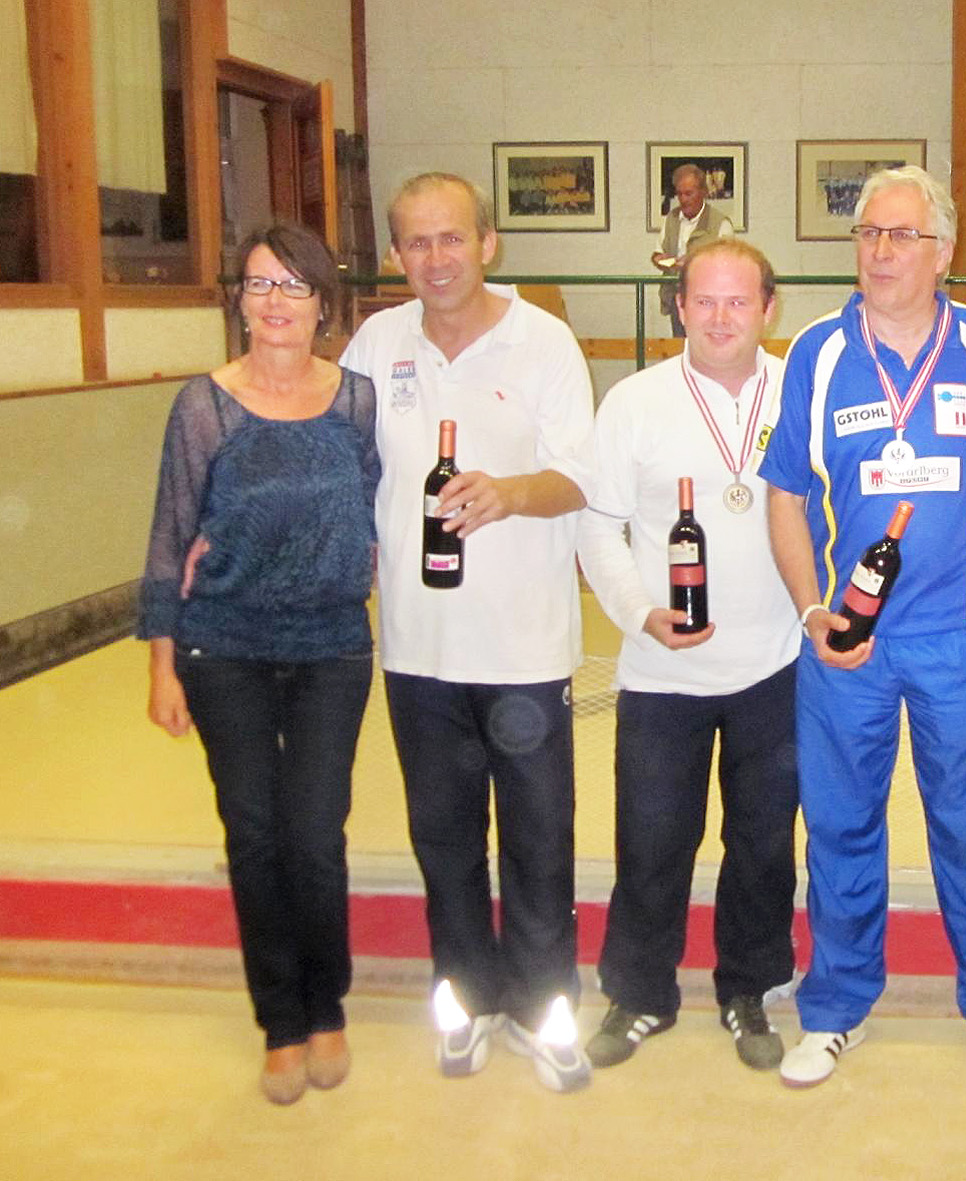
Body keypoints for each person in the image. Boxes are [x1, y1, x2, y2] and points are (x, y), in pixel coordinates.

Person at [760, 165, 966, 1101]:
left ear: (943, 250)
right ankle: (835, 1004)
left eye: (901, 235)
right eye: (868, 234)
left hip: (957, 639)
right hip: (848, 645)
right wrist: (812, 611)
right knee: (839, 826)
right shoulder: (817, 351)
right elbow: (785, 495)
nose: (880, 251)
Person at [340, 172, 598, 1093]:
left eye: (452, 237)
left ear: (487, 243)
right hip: (418, 649)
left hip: (524, 648)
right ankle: (466, 999)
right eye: (416, 242)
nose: (436, 258)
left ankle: (543, 1007)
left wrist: (510, 492)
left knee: (539, 839)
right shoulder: (376, 344)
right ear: (395, 255)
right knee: (443, 840)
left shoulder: (545, 341)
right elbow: (341, 466)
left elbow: (580, 477)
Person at [139, 223, 377, 1104]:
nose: (275, 301)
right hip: (224, 646)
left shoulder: (355, 400)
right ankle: (280, 1020)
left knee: (314, 837)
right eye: (258, 284)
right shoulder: (204, 406)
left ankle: (326, 1006)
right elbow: (170, 536)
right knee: (253, 835)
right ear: (238, 301)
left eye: (293, 285)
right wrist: (162, 665)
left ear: (323, 303)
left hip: (330, 647)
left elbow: (373, 507)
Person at [577, 238, 799, 1071]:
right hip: (661, 672)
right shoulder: (633, 402)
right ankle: (639, 993)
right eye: (703, 300)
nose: (719, 317)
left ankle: (749, 987)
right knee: (651, 842)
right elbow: (597, 525)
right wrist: (639, 614)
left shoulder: (800, 390)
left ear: (768, 308)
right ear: (678, 308)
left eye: (738, 301)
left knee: (763, 845)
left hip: (776, 666)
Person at [652, 163, 735, 337]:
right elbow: (657, 253)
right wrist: (660, 260)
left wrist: (693, 263)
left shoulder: (721, 224)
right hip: (677, 299)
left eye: (689, 193)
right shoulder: (671, 219)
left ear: (703, 192)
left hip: (709, 301)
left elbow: (728, 265)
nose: (683, 199)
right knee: (680, 346)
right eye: (679, 194)